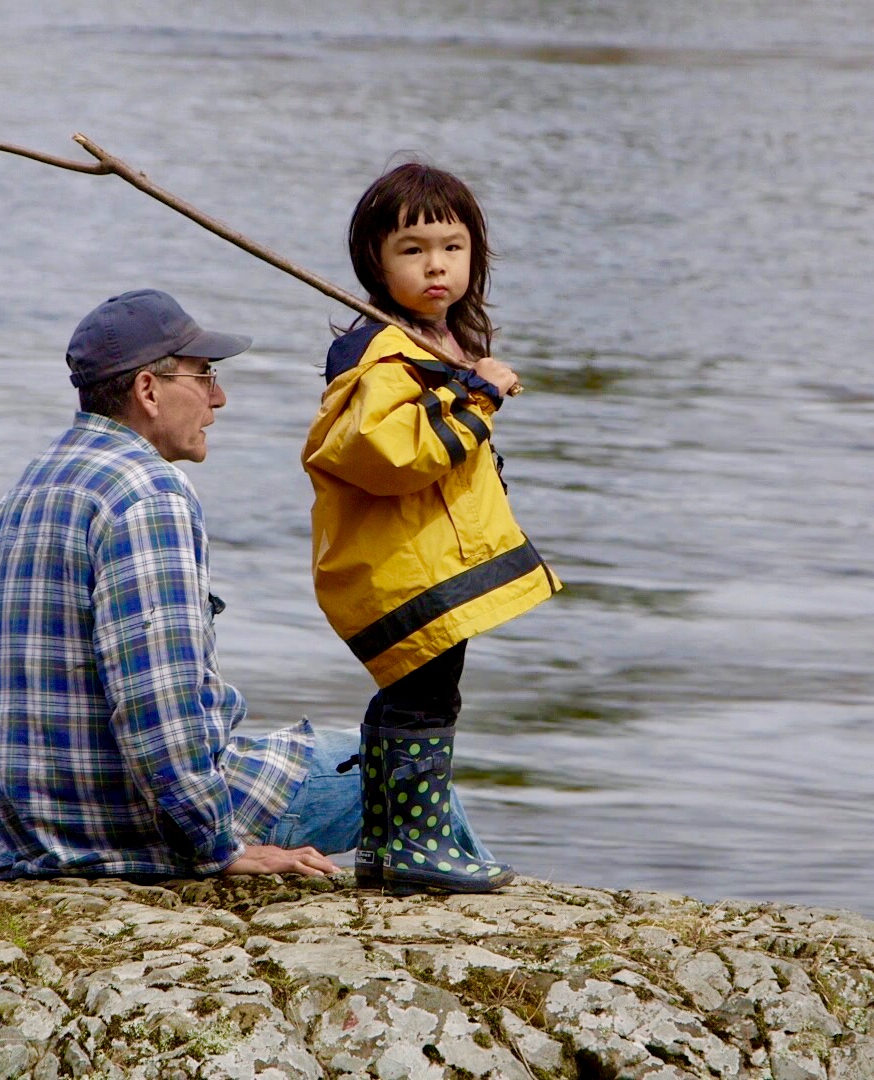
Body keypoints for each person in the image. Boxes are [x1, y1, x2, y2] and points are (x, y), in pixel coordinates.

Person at [0, 288, 498, 886]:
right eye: (204, 376)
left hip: (34, 826)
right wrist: (218, 847)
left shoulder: (34, 485)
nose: (218, 398)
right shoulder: (147, 494)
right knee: (405, 772)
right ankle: (476, 934)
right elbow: (155, 702)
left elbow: (18, 691)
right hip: (129, 823)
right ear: (148, 390)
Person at [303, 163, 561, 897]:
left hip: (422, 560)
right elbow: (392, 455)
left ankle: (390, 843)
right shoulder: (382, 354)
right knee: (425, 699)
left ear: (475, 254)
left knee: (410, 695)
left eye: (451, 247)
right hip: (407, 566)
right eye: (412, 250)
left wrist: (464, 375)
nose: (436, 264)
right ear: (376, 265)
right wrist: (479, 394)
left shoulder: (432, 341)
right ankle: (415, 845)